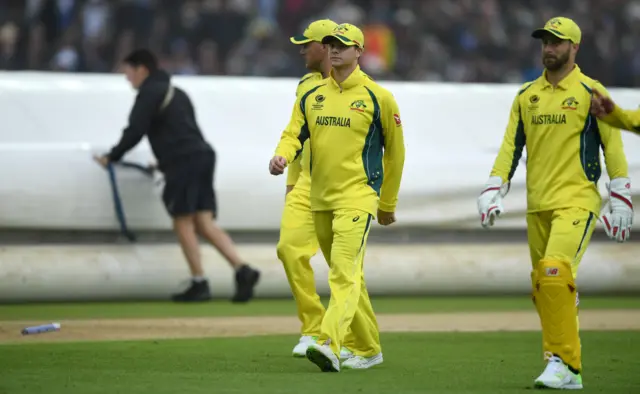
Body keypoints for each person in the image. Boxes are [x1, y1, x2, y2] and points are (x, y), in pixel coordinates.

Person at [477, 17, 633, 390]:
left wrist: (621, 197)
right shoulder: (526, 95)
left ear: (574, 47)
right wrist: (493, 186)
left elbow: (613, 149)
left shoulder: (592, 92)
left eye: (557, 42)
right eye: (545, 42)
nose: (549, 48)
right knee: (543, 287)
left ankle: (568, 367)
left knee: (553, 271)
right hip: (537, 206)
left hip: (577, 201)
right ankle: (558, 361)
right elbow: (510, 148)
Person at [269, 23, 406, 372]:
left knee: (343, 274)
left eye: (342, 45)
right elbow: (292, 133)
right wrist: (281, 155)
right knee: (348, 276)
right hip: (320, 199)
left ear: (359, 51)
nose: (334, 50)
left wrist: (387, 203)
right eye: (330, 44)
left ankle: (329, 342)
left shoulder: (379, 97)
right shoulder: (312, 95)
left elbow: (395, 154)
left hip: (358, 198)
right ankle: (369, 348)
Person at [94, 49, 260, 303]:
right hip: (203, 156)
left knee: (182, 221)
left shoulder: (149, 93)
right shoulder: (177, 92)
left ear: (142, 69)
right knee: (204, 223)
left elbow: (135, 130)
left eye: (128, 73)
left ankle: (199, 282)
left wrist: (112, 156)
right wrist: (163, 161)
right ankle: (242, 269)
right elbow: (185, 132)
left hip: (184, 162)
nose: (127, 79)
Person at [280, 19, 372, 361]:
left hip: (346, 186)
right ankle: (314, 328)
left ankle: (356, 342)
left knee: (344, 269)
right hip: (306, 182)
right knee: (289, 250)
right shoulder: (306, 86)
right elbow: (296, 133)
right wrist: (291, 181)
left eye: (307, 44)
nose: (302, 50)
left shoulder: (366, 92)